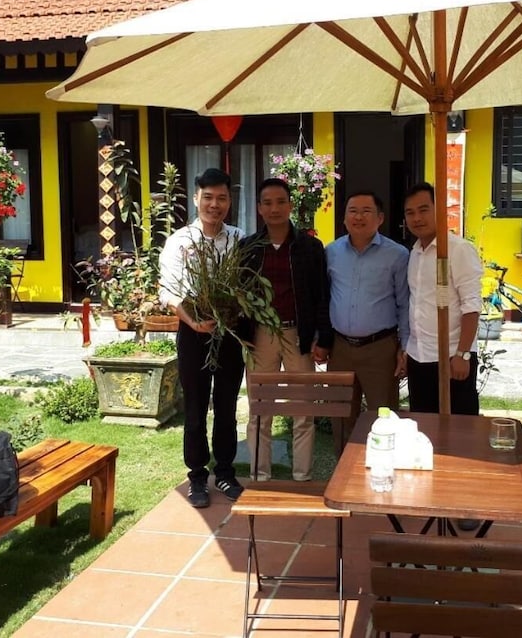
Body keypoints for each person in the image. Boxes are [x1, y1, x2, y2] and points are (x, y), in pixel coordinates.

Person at [159, 168, 245, 508]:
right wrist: (193, 322)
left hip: (229, 334)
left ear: (229, 201)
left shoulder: (239, 239)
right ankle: (197, 476)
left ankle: (225, 471)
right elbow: (168, 291)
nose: (215, 204)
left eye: (222, 198)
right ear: (196, 199)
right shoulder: (179, 241)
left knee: (226, 407)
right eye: (208, 197)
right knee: (194, 408)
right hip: (193, 333)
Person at [241, 177, 333, 481]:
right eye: (267, 203)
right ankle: (260, 476)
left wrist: (322, 337)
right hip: (261, 335)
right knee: (260, 409)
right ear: (259, 208)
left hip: (298, 335)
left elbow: (321, 295)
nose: (274, 208)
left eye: (281, 202)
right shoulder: (248, 248)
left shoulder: (309, 247)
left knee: (303, 409)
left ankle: (302, 476)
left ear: (291, 205)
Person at [326, 190, 409, 428]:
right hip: (340, 348)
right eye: (352, 211)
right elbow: (324, 297)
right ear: (344, 218)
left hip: (380, 349)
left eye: (366, 211)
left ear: (380, 218)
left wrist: (404, 347)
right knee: (340, 418)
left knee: (384, 418)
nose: (358, 217)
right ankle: (343, 454)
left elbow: (404, 304)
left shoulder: (397, 255)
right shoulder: (331, 252)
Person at [403, 181, 484, 416]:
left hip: (451, 358)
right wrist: (408, 350)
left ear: (439, 210)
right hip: (419, 357)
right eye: (410, 213)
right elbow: (418, 304)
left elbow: (471, 306)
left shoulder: (458, 249)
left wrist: (462, 354)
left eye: (423, 210)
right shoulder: (415, 253)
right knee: (422, 425)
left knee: (459, 428)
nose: (417, 218)